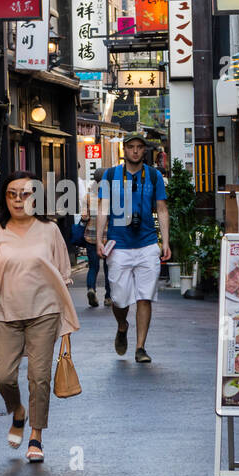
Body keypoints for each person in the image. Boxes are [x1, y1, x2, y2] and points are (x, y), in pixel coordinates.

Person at [0, 171, 79, 464]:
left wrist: (65, 319)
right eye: (12, 194)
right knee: (2, 375)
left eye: (26, 193)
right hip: (6, 314)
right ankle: (17, 410)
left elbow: (62, 276)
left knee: (39, 377)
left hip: (45, 311)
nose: (18, 200)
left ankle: (35, 436)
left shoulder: (49, 231)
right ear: (5, 198)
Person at [95, 133, 170, 363]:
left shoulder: (155, 176)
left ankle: (140, 348)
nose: (135, 151)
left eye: (139, 147)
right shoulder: (110, 176)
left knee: (145, 297)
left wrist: (165, 241)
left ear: (144, 150)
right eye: (131, 147)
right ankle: (122, 325)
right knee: (119, 300)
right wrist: (99, 238)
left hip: (147, 244)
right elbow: (102, 209)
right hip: (119, 245)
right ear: (124, 150)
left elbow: (162, 209)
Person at [80, 167, 110, 307]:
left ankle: (91, 289)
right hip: (108, 238)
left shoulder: (88, 196)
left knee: (93, 267)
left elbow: (84, 217)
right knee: (109, 267)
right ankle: (108, 297)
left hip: (91, 237)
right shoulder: (111, 196)